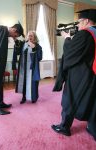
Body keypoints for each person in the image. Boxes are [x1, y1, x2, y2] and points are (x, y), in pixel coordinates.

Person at [51, 9, 96, 141]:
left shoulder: (85, 34)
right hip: (93, 73)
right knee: (92, 101)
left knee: (70, 98)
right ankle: (92, 128)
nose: (78, 25)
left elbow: (71, 53)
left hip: (80, 74)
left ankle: (64, 127)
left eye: (80, 22)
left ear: (87, 21)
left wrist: (67, 38)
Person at [12, 31, 42, 104]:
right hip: (24, 68)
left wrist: (34, 48)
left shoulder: (38, 46)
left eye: (31, 36)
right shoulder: (24, 44)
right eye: (29, 36)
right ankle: (24, 97)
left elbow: (39, 57)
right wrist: (15, 40)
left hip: (33, 68)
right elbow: (18, 51)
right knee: (24, 82)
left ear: (34, 37)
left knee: (33, 83)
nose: (30, 37)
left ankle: (33, 98)